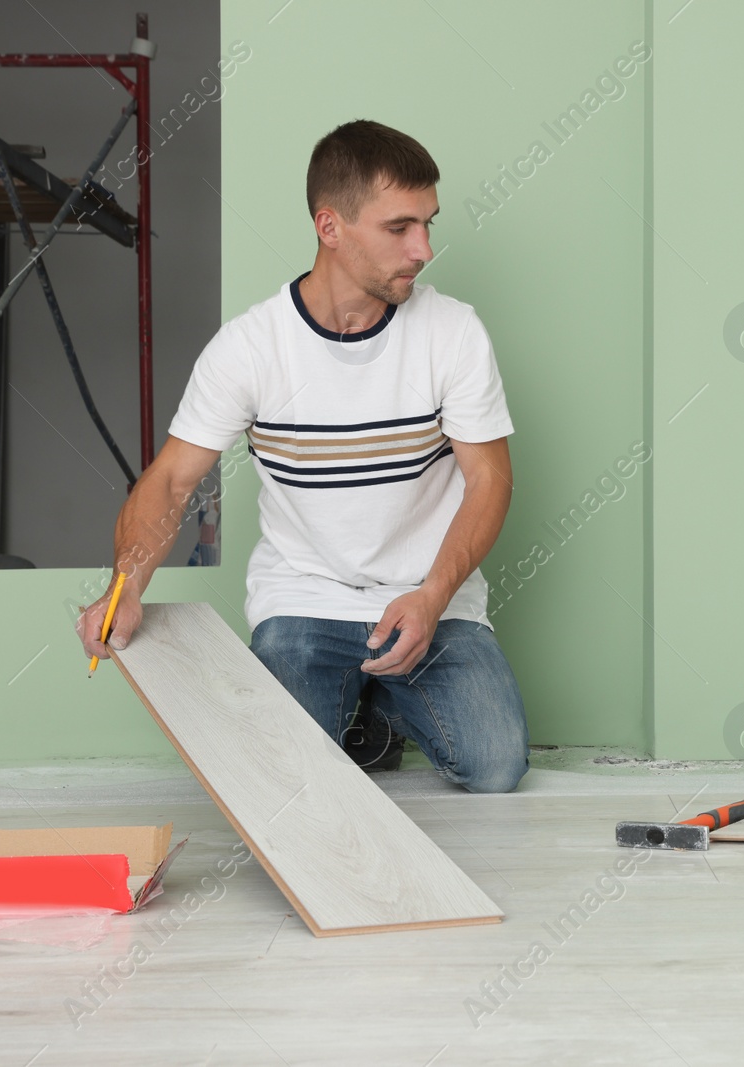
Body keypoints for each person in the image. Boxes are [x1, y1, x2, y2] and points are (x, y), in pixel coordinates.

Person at [75, 119, 528, 794]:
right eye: (400, 227)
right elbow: (171, 480)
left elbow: (489, 479)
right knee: (282, 781)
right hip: (305, 601)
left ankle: (382, 703)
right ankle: (363, 715)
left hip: (428, 595)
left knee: (495, 766)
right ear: (330, 226)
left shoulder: (453, 331)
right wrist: (127, 583)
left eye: (428, 224)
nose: (425, 248)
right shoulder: (251, 348)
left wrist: (432, 598)